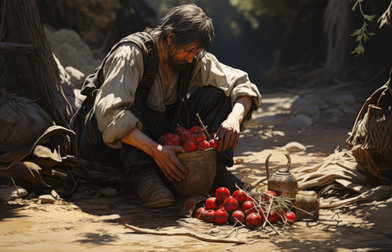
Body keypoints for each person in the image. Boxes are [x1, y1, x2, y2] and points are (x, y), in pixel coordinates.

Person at [75, 4, 262, 208]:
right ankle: (142, 173)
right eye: (188, 51)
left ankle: (214, 169)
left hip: (155, 136)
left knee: (218, 95)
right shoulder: (131, 53)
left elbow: (241, 83)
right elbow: (111, 115)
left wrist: (234, 118)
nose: (191, 58)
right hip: (105, 143)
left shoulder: (190, 58)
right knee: (132, 99)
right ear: (171, 37)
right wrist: (157, 151)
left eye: (196, 52)